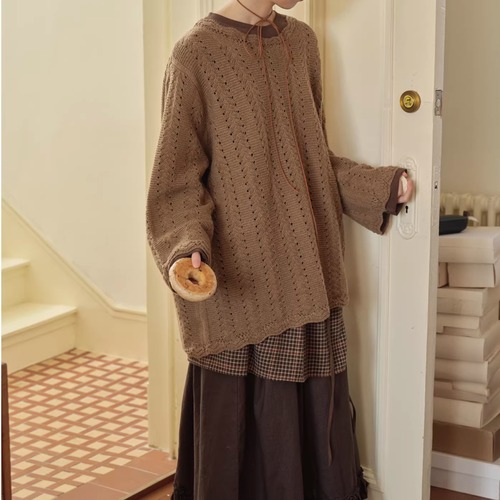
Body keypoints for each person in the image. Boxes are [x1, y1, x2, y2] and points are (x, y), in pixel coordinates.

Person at [146, 0, 414, 498]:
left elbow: (312, 159)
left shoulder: (302, 44)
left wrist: (381, 186)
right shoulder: (195, 54)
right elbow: (175, 180)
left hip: (306, 267)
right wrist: (186, 248)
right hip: (240, 281)